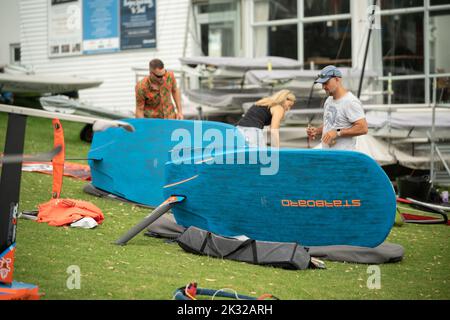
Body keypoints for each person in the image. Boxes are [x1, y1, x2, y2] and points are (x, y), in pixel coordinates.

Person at [306, 65, 368, 150]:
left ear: (337, 79)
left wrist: (338, 133)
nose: (323, 87)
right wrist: (317, 130)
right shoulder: (329, 100)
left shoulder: (350, 101)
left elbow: (363, 128)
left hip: (343, 157)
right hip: (328, 155)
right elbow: (331, 125)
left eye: (326, 83)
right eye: (322, 84)